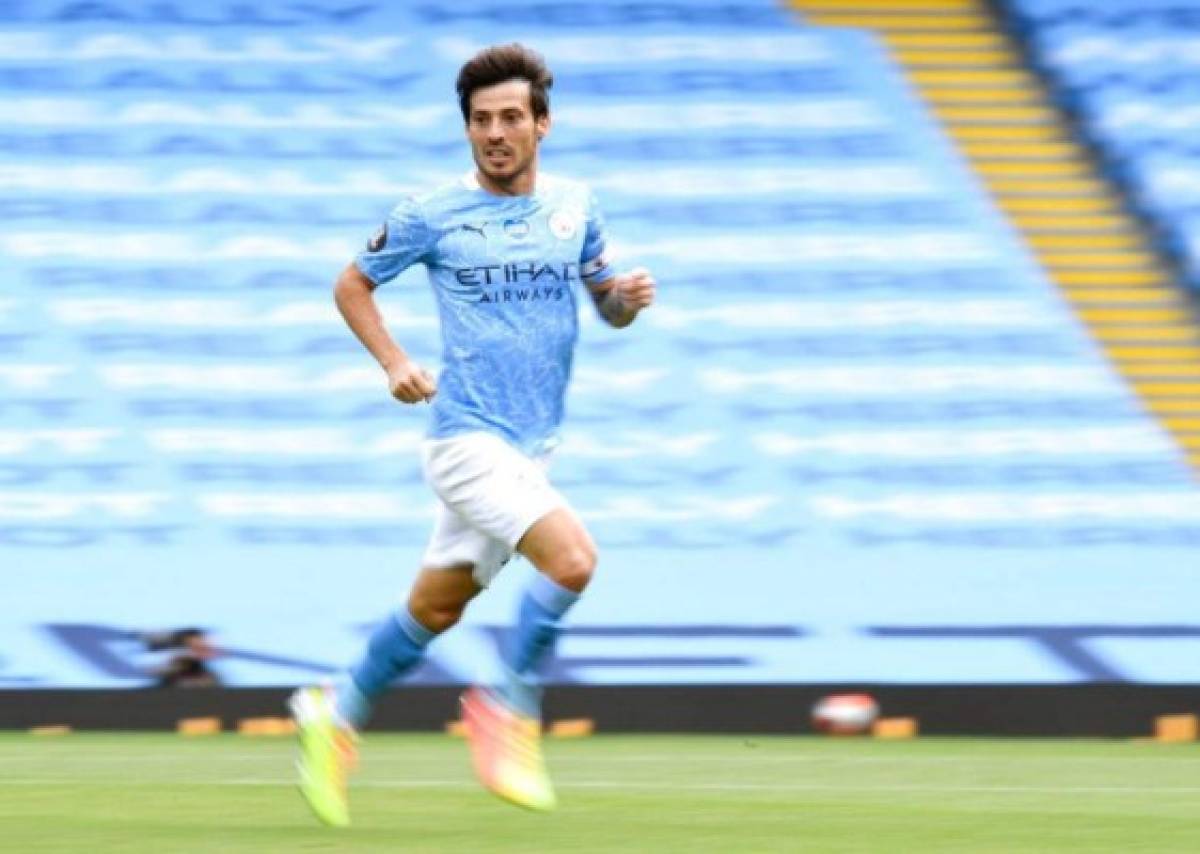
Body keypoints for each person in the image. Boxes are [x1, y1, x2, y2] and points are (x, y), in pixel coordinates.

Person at [289, 42, 656, 827]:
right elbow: (352, 283)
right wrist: (394, 363)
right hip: (466, 440)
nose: (495, 132)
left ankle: (334, 710)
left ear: (541, 124)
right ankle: (507, 707)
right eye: (482, 120)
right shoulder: (431, 213)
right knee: (574, 559)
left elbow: (606, 307)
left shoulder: (576, 207)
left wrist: (624, 298)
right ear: (467, 129)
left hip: (530, 449)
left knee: (435, 608)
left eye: (511, 117)